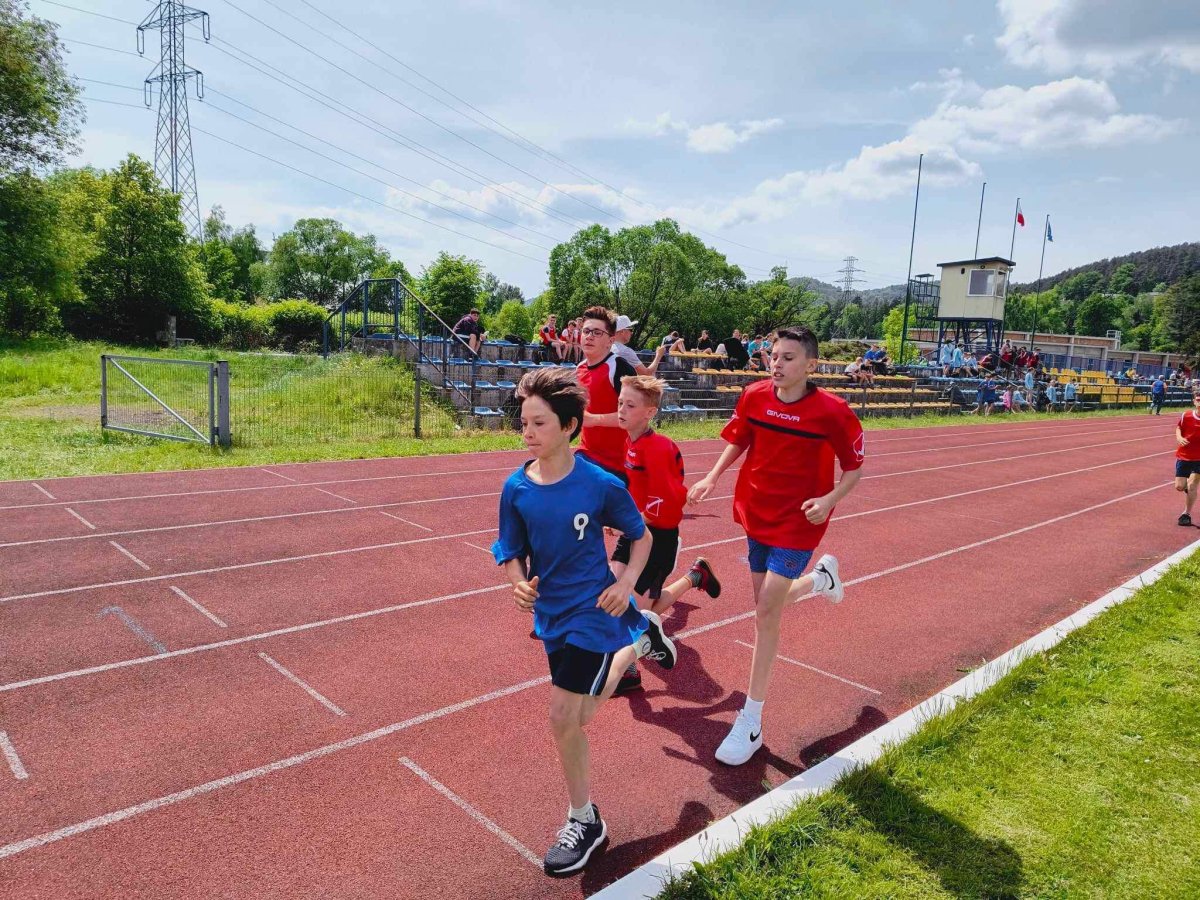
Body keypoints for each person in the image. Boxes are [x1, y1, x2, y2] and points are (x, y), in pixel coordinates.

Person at [492, 368, 679, 876]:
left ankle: (584, 820)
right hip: (550, 615)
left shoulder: (599, 484)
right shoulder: (516, 487)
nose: (528, 433)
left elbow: (642, 537)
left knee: (561, 718)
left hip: (594, 612)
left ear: (570, 426)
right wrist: (518, 581)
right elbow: (510, 548)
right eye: (524, 423)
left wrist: (626, 583)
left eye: (539, 423)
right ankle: (640, 642)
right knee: (579, 718)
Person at [687, 325, 863, 766]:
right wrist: (712, 477)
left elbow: (854, 468)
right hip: (755, 512)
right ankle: (821, 579)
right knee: (768, 603)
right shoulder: (754, 396)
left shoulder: (833, 412)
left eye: (787, 357)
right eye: (773, 355)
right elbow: (738, 440)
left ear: (811, 364)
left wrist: (829, 500)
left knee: (766, 611)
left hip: (799, 522)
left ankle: (751, 720)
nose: (776, 363)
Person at [611, 375, 723, 694]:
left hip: (658, 538)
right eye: (620, 403)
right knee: (613, 594)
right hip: (635, 530)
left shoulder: (658, 448)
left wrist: (630, 520)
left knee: (641, 611)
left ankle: (629, 672)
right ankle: (696, 575)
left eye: (630, 405)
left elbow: (666, 502)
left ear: (650, 412)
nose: (621, 410)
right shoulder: (631, 441)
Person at [576, 306, 639, 483]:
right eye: (586, 331)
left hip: (618, 464)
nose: (589, 336)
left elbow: (636, 416)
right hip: (587, 454)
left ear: (610, 340)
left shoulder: (620, 368)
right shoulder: (579, 369)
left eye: (597, 332)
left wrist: (593, 420)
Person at [1176, 389, 1200, 526]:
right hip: (1184, 456)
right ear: (1194, 402)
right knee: (1180, 486)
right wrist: (1179, 437)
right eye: (1198, 400)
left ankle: (1186, 514)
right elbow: (1179, 428)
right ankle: (1187, 489)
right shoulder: (1186, 415)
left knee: (1192, 485)